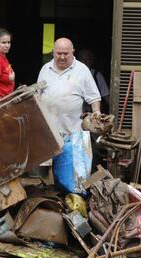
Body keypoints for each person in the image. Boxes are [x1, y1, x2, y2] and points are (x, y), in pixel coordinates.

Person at [37, 38, 101, 193]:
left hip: (74, 132)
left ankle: (77, 207)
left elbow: (94, 96)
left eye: (66, 53)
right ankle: (55, 202)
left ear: (73, 52)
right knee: (50, 177)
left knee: (77, 180)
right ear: (53, 52)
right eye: (59, 53)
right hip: (49, 133)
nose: (62, 57)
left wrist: (97, 112)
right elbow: (38, 96)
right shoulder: (46, 68)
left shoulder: (82, 70)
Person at [77, 49, 111, 114]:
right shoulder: (73, 75)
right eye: (82, 59)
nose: (85, 62)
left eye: (88, 59)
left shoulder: (97, 75)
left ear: (92, 61)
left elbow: (106, 96)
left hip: (92, 115)